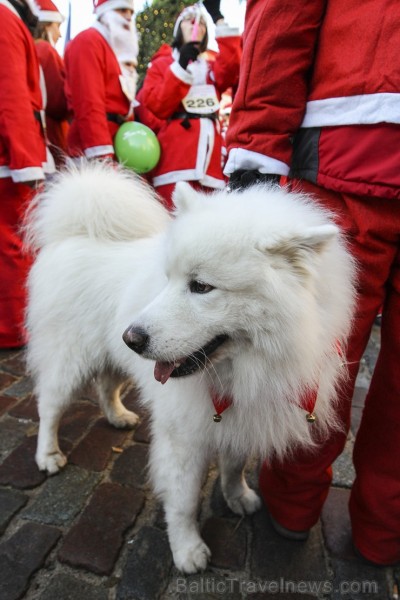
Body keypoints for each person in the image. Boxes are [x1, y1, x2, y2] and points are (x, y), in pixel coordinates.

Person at [224, 0, 400, 567]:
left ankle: (291, 504)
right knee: (311, 357)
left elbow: (281, 18)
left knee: (316, 359)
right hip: (348, 144)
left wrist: (256, 151)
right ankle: (385, 529)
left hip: (351, 141)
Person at [135, 0, 241, 209]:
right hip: (175, 164)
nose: (196, 26)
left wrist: (217, 17)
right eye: (190, 21)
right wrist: (181, 67)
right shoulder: (162, 64)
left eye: (202, 23)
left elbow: (232, 65)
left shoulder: (210, 68)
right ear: (178, 28)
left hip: (210, 168)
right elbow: (157, 104)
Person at [0, 0, 53, 349]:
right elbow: (11, 94)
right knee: (14, 244)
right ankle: (15, 329)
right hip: (12, 156)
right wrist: (26, 159)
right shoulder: (4, 17)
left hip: (14, 153)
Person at [64, 0, 138, 161]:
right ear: (105, 12)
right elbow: (88, 103)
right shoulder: (88, 41)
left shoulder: (117, 53)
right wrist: (101, 155)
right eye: (122, 10)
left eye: (131, 12)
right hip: (92, 151)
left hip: (118, 148)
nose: (128, 17)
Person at [33, 0, 69, 167]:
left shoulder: (30, 49)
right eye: (57, 26)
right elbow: (58, 102)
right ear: (46, 26)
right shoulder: (46, 51)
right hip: (53, 134)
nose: (60, 34)